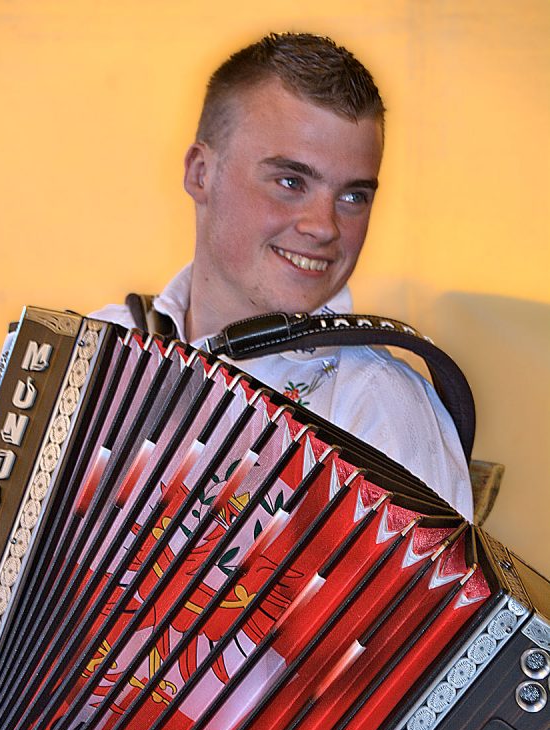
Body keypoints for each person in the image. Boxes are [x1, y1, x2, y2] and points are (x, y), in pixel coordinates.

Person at [94, 31, 473, 519]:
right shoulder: (94, 351)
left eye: (353, 196)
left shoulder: (382, 407)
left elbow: (427, 597)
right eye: (291, 181)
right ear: (200, 173)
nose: (323, 226)